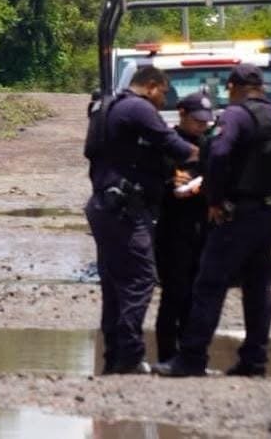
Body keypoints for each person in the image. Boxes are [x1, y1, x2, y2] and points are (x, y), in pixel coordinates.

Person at [154, 63, 271, 377]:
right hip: (266, 215)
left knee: (208, 285)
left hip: (237, 214)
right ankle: (254, 361)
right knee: (258, 290)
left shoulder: (235, 115)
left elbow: (218, 153)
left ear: (232, 87)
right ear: (262, 87)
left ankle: (191, 358)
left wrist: (215, 200)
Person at [84, 66, 198, 374]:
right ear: (151, 86)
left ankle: (114, 357)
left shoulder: (108, 107)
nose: (164, 102)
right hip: (124, 210)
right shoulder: (138, 108)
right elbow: (172, 145)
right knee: (140, 280)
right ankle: (130, 356)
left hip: (104, 205)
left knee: (114, 282)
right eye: (163, 93)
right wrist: (207, 154)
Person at [154, 92, 214, 363]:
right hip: (174, 229)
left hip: (203, 228)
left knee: (198, 295)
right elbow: (168, 187)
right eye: (197, 120)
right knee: (174, 294)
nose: (202, 126)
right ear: (181, 114)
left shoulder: (209, 144)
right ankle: (167, 354)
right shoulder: (169, 145)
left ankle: (191, 354)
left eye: (205, 121)